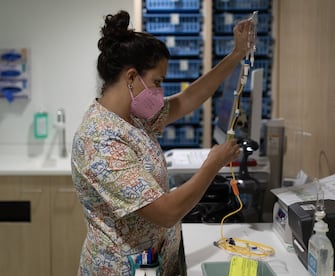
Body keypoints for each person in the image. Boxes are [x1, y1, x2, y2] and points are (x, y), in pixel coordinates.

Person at [71, 10, 255, 276]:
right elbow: (167, 212)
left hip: (153, 264)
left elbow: (190, 98)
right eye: (157, 82)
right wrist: (212, 164)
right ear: (131, 77)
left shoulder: (135, 118)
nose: (161, 92)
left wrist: (236, 54)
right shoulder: (99, 140)